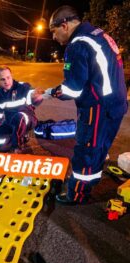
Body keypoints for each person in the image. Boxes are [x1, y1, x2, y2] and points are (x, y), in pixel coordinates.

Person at [39, 5, 128, 205]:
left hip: (97, 108)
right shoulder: (99, 34)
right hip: (117, 103)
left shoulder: (77, 45)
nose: (54, 38)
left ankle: (77, 194)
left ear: (64, 25)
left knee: (86, 151)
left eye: (53, 32)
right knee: (100, 148)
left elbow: (73, 89)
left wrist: (50, 93)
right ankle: (93, 179)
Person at [0, 66, 42, 152]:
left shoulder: (22, 87)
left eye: (8, 78)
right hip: (9, 121)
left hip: (27, 119)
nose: (6, 81)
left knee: (18, 117)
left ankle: (17, 148)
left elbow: (32, 95)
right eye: (3, 79)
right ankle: (19, 138)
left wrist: (36, 96)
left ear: (11, 76)